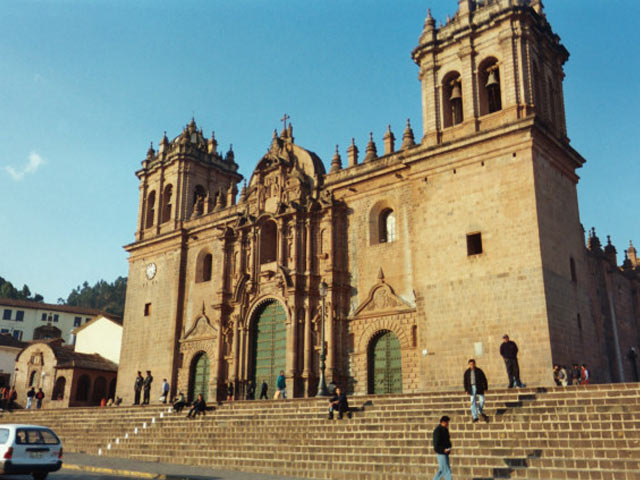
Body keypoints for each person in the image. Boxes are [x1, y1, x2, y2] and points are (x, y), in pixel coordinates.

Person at [463, 359, 488, 423]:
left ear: (474, 364)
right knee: (472, 402)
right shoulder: (467, 372)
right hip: (471, 387)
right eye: (470, 364)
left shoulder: (479, 371)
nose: (472, 365)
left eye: (473, 364)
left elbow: (484, 379)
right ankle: (475, 416)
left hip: (479, 387)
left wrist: (485, 388)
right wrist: (466, 390)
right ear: (469, 365)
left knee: (482, 400)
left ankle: (479, 410)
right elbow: (465, 381)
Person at [432, 415, 452, 480]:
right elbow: (436, 444)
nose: (448, 424)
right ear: (443, 422)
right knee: (446, 470)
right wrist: (443, 450)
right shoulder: (437, 431)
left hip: (445, 453)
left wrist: (449, 447)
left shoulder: (445, 430)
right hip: (441, 453)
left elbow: (447, 441)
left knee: (442, 470)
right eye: (447, 422)